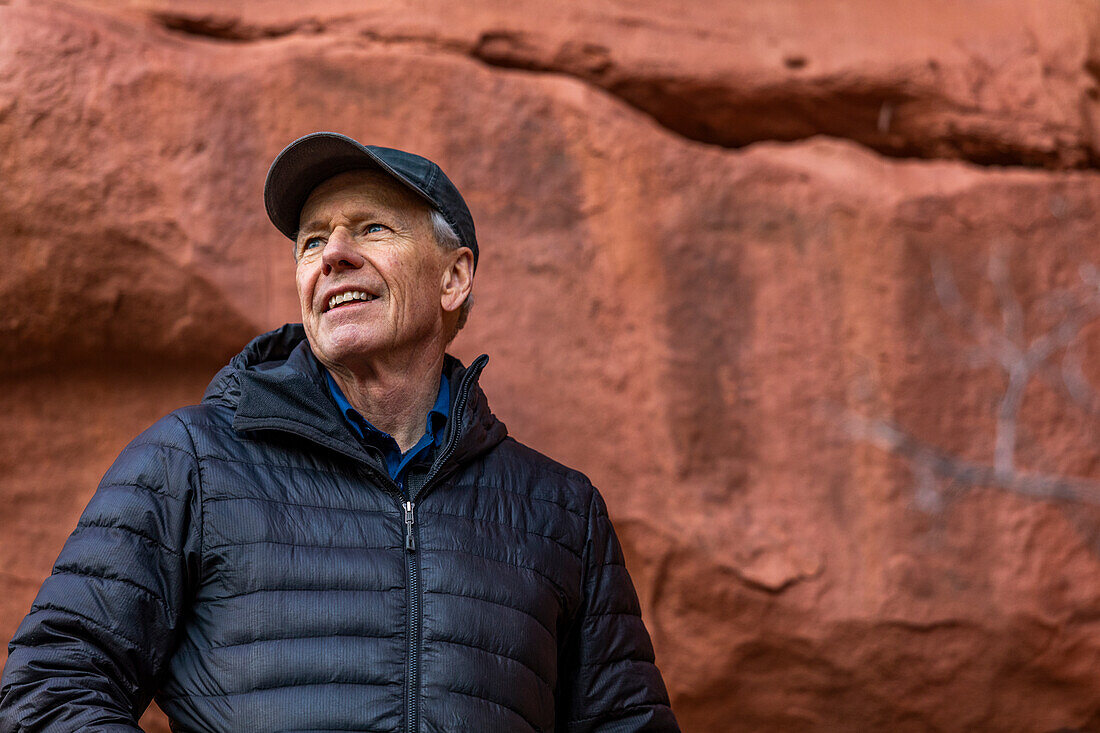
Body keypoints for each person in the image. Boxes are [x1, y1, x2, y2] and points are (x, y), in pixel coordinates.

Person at [0, 132, 679, 732]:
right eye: (312, 240)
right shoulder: (193, 460)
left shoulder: (562, 511)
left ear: (454, 276)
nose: (334, 255)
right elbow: (51, 686)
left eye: (373, 228)